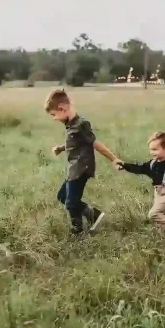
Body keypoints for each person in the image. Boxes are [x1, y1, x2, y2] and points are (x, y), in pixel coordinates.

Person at [45, 89, 120, 235]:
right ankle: (91, 216)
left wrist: (114, 159)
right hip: (73, 168)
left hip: (81, 169)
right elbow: (75, 142)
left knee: (71, 202)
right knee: (63, 197)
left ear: (62, 108)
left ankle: (79, 229)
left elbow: (95, 144)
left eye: (54, 115)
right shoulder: (71, 125)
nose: (54, 118)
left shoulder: (81, 124)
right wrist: (61, 148)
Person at [117, 131, 165, 239]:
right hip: (158, 193)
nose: (152, 152)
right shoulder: (152, 164)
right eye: (151, 149)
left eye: (155, 149)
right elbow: (139, 168)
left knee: (153, 214)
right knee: (161, 217)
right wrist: (125, 166)